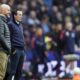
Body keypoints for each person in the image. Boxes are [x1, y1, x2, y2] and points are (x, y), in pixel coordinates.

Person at [7, 8, 24, 80]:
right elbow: (8, 38)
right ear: (14, 15)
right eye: (19, 14)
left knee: (19, 71)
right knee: (12, 71)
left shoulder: (20, 25)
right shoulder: (10, 24)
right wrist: (13, 49)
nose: (21, 16)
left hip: (22, 50)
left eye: (21, 15)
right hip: (15, 50)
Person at [0, 4, 11, 80]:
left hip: (4, 51)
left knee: (4, 74)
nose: (9, 12)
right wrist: (8, 48)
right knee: (1, 75)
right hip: (2, 51)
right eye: (8, 10)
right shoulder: (0, 21)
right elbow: (0, 36)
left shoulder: (3, 21)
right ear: (2, 10)